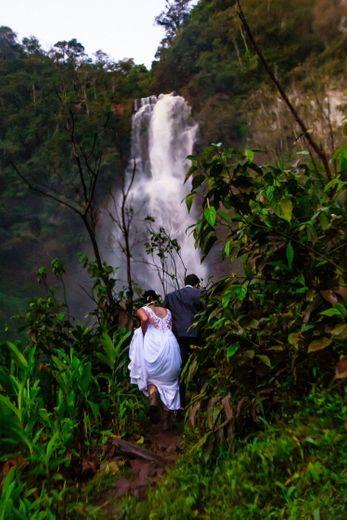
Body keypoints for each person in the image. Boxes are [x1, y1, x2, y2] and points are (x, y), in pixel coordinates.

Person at [128, 290, 182, 427]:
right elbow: (171, 327)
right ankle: (166, 421)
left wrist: (144, 331)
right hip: (171, 346)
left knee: (151, 379)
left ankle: (153, 395)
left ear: (144, 300)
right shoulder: (167, 311)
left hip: (154, 346)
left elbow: (145, 319)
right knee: (170, 382)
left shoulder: (143, 309)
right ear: (156, 299)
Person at [163, 274, 202, 408]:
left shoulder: (171, 296)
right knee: (200, 365)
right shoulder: (199, 293)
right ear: (197, 284)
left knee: (181, 369)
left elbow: (164, 315)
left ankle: (181, 405)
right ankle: (201, 399)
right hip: (197, 335)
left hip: (178, 337)